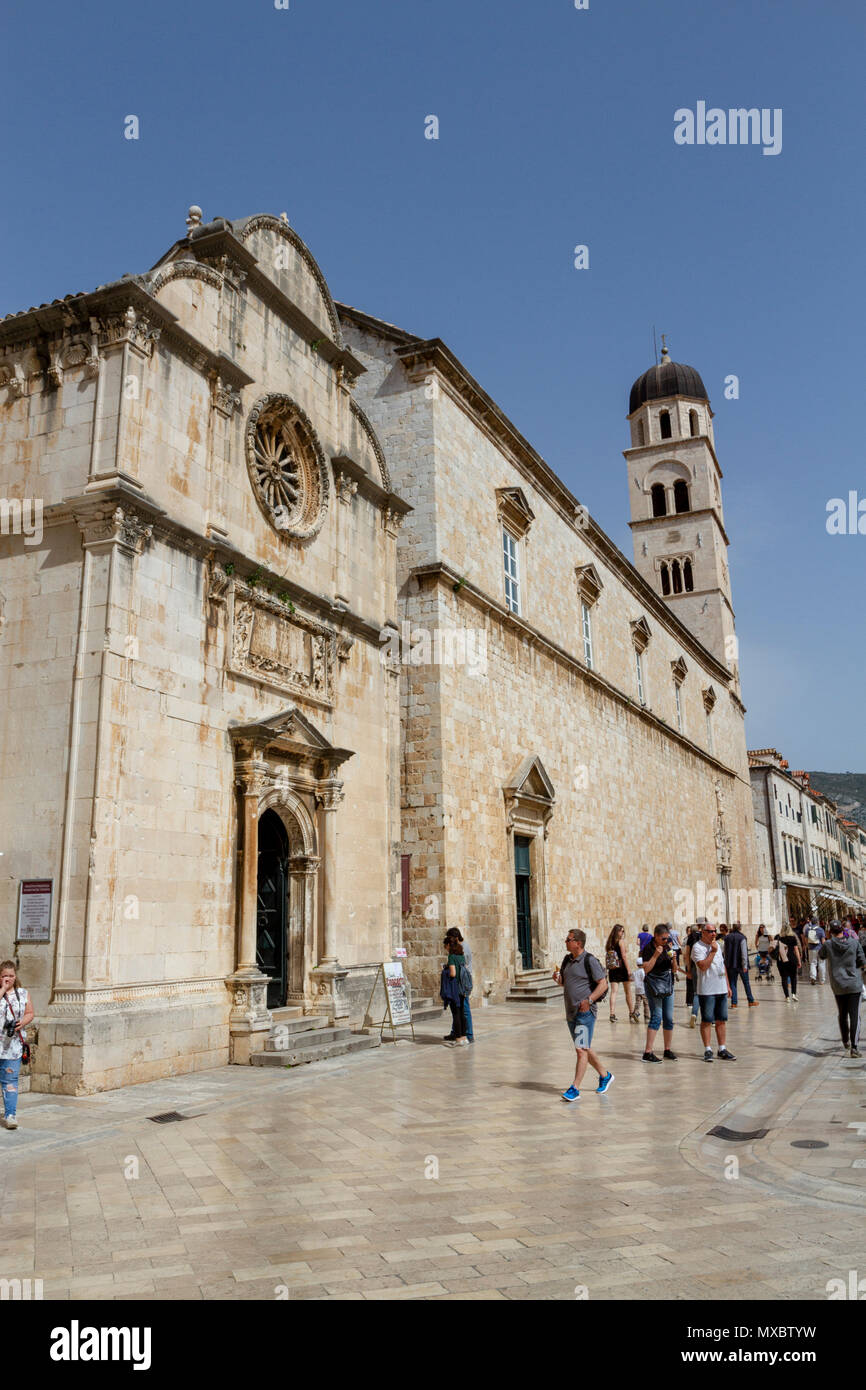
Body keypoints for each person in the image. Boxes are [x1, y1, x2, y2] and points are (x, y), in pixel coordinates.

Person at [552, 930, 614, 1101]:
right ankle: (605, 1075)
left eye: (568, 939)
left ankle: (575, 1088)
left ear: (578, 943)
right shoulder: (567, 960)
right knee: (584, 1047)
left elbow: (603, 983)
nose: (565, 942)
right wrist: (557, 980)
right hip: (571, 1011)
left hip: (585, 1013)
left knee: (580, 1049)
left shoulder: (589, 960)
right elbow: (565, 983)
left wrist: (589, 1000)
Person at [819, 922, 866, 1058]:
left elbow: (821, 956)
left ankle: (846, 1041)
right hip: (854, 984)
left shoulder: (828, 944)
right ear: (843, 930)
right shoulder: (854, 942)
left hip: (838, 985)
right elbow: (862, 961)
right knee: (855, 1015)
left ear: (830, 931)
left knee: (842, 1013)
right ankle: (855, 1048)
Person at [691, 923, 736, 1062]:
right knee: (707, 1020)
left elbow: (722, 966)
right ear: (703, 932)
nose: (713, 934)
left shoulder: (717, 945)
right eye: (710, 931)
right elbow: (703, 966)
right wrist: (712, 952)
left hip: (721, 988)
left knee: (721, 1020)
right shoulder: (697, 947)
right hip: (707, 990)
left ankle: (722, 1048)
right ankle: (708, 1049)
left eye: (715, 931)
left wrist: (728, 986)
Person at [0, 961, 34, 1130]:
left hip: (12, 1046)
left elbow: (30, 1013)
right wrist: (3, 990)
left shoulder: (23, 993)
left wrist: (22, 1022)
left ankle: (10, 1115)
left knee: (10, 1081)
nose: (8, 979)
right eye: (5, 976)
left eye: (11, 976)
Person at [640, 924, 679, 1062]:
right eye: (663, 938)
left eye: (667, 938)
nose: (666, 941)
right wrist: (656, 955)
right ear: (656, 936)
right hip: (654, 985)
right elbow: (646, 970)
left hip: (667, 984)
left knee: (668, 1018)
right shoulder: (648, 949)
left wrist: (674, 958)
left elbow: (674, 970)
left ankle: (667, 1049)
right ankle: (647, 1052)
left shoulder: (668, 947)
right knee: (656, 1016)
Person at [443, 928, 474, 1042]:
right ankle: (456, 1032)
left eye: (450, 938)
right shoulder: (462, 946)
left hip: (461, 983)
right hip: (462, 982)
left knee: (462, 1010)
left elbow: (457, 968)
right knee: (459, 1010)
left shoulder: (462, 948)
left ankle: (468, 1034)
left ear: (455, 937)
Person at [440, 937, 470, 1048]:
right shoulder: (461, 956)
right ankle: (464, 1037)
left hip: (454, 988)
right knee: (462, 1013)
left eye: (445, 945)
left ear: (449, 945)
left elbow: (453, 973)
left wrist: (445, 969)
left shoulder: (452, 957)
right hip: (462, 988)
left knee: (456, 1014)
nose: (445, 948)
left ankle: (458, 1038)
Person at [604, 924, 636, 1023]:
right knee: (628, 992)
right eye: (621, 931)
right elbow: (624, 956)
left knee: (614, 992)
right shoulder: (621, 942)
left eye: (623, 931)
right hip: (622, 969)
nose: (622, 933)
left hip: (613, 969)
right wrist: (629, 970)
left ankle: (612, 1014)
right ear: (617, 931)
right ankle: (631, 1012)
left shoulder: (609, 943)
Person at [724, 921, 758, 1010]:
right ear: (740, 927)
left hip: (731, 965)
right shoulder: (742, 937)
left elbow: (725, 951)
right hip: (740, 965)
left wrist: (726, 963)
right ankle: (750, 1001)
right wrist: (745, 965)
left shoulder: (727, 937)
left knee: (732, 983)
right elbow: (744, 953)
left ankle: (734, 1003)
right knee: (746, 983)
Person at [773, 926, 801, 1003]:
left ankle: (787, 997)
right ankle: (794, 994)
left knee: (784, 978)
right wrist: (799, 961)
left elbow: (772, 947)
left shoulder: (777, 937)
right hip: (792, 960)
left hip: (781, 960)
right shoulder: (792, 938)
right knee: (793, 977)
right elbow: (796, 950)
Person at [683, 923, 703, 1028]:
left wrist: (689, 969)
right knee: (708, 992)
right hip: (705, 966)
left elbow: (686, 955)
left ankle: (694, 1014)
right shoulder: (703, 936)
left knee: (696, 992)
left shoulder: (689, 938)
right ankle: (712, 1019)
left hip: (695, 967)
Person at [805, 918, 827, 984]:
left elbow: (806, 939)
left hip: (811, 949)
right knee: (822, 963)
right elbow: (823, 941)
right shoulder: (820, 929)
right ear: (817, 922)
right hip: (820, 948)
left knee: (812, 963)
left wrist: (807, 946)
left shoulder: (807, 929)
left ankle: (813, 977)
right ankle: (822, 980)